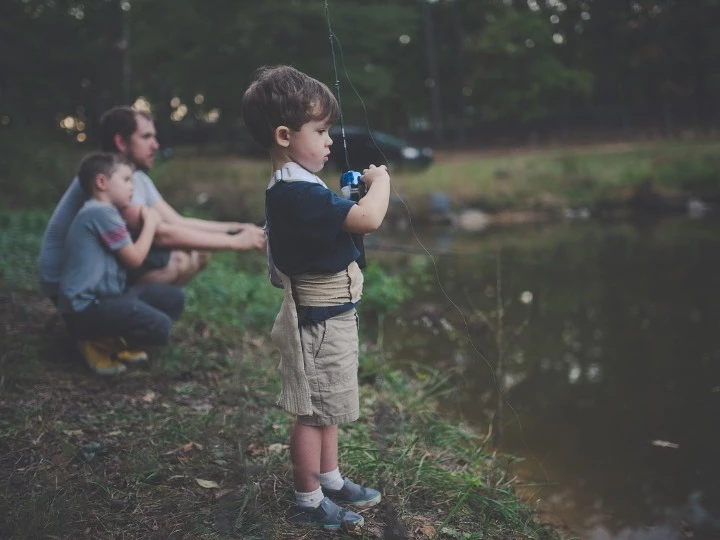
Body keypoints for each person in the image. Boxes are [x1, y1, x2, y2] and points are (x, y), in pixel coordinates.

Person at [241, 65, 391, 534]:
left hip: (332, 315)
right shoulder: (294, 192)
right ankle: (308, 499)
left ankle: (329, 477)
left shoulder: (300, 186)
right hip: (320, 321)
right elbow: (366, 220)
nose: (329, 140)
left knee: (329, 407)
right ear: (285, 135)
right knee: (313, 413)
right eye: (321, 131)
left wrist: (345, 195)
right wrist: (381, 182)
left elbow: (334, 222)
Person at [38, 106, 266, 365]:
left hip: (93, 276)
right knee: (180, 258)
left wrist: (238, 227)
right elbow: (162, 235)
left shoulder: (132, 177)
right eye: (146, 137)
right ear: (121, 141)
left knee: (195, 253)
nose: (156, 145)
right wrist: (236, 243)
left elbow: (177, 221)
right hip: (69, 285)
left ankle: (121, 322)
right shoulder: (111, 181)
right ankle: (104, 330)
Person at [58, 152, 185, 375]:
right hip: (85, 308)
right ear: (101, 182)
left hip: (108, 298)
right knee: (160, 327)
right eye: (126, 180)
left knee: (174, 298)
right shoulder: (100, 213)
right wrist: (151, 223)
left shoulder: (105, 212)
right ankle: (95, 342)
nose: (132, 188)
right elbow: (135, 259)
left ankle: (110, 338)